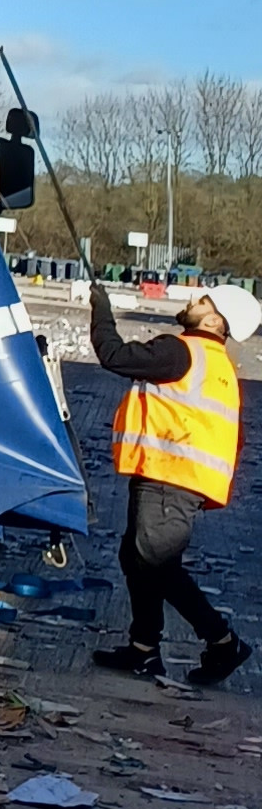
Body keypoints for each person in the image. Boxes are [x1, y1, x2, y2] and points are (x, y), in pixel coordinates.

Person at [91, 279, 261, 688]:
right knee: (138, 558)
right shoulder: (218, 365)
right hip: (176, 477)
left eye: (203, 300)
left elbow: (114, 355)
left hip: (169, 475)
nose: (192, 300)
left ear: (216, 320)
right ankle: (144, 649)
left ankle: (222, 642)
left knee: (156, 563)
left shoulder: (181, 352)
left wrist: (101, 308)